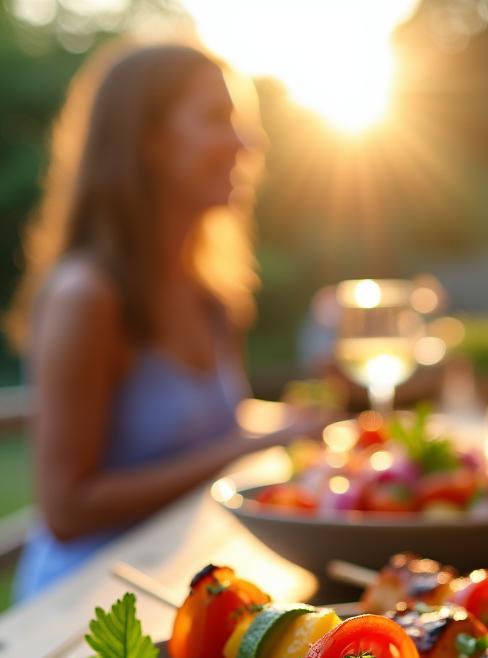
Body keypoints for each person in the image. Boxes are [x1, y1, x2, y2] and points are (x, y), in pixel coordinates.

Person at [7, 42, 317, 600]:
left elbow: (213, 428)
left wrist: (298, 420)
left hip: (176, 579)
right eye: (216, 120)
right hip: (79, 607)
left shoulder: (210, 294)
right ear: (146, 140)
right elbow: (65, 509)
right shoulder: (88, 296)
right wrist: (243, 449)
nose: (249, 143)